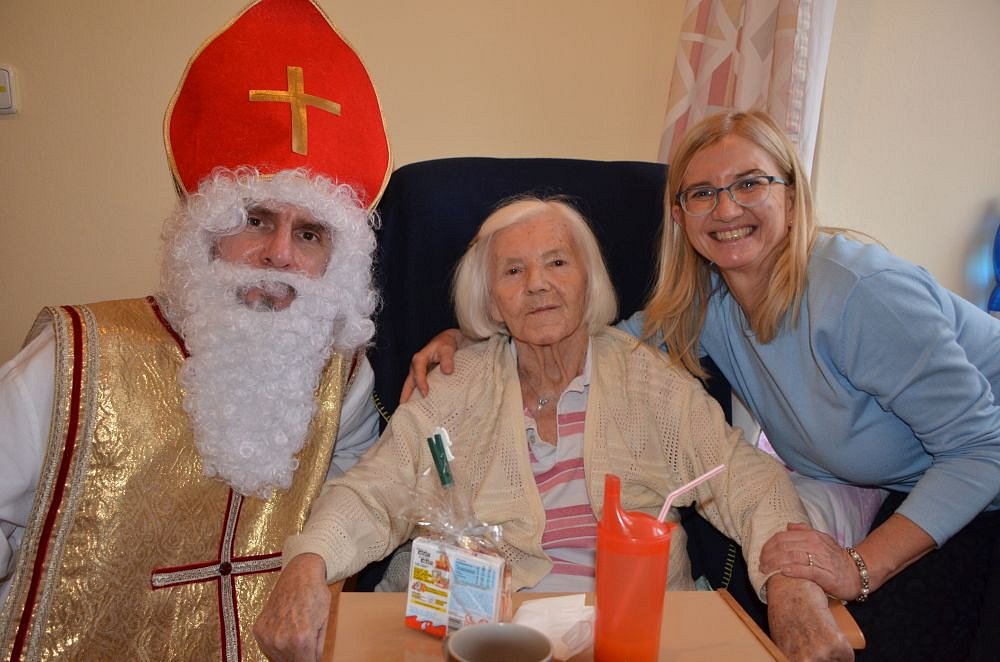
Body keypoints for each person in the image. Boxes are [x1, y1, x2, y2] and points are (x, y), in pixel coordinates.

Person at [406, 110, 1000, 661]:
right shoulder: (711, 304)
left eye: (750, 183)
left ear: (792, 197)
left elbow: (982, 448)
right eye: (702, 193)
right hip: (878, 479)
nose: (726, 209)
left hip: (973, 481)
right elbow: (592, 342)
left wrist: (860, 569)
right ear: (680, 215)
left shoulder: (861, 295)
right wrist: (471, 336)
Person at [253, 197, 852, 661]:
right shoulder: (458, 385)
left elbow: (747, 481)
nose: (537, 283)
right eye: (513, 270)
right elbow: (374, 491)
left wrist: (791, 585)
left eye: (557, 263)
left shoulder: (646, 379)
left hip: (630, 637)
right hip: (477, 635)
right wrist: (309, 562)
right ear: (491, 301)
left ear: (589, 280)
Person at [0, 0, 391, 659]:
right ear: (203, 233)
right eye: (256, 219)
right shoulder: (75, 358)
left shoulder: (344, 377)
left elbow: (361, 486)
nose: (280, 255)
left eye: (310, 233)